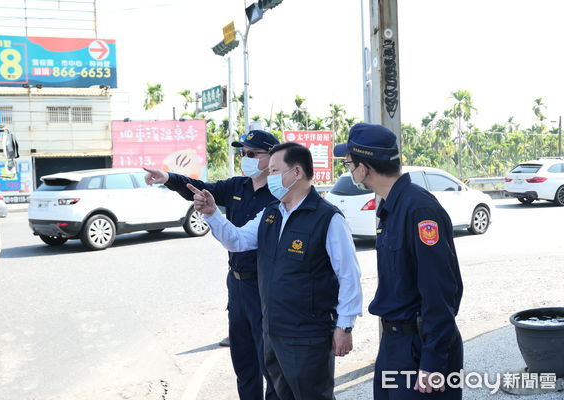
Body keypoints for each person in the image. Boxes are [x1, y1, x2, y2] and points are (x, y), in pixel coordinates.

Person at [188, 142, 363, 400]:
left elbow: (349, 276)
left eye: (273, 170)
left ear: (297, 173)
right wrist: (213, 214)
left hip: (308, 336)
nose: (269, 177)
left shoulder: (328, 218)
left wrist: (344, 326)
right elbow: (236, 240)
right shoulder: (270, 214)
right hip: (272, 331)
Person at [144, 130, 280, 400]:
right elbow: (201, 189)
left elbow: (242, 240)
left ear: (272, 157)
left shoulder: (278, 194)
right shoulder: (237, 186)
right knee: (243, 360)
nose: (246, 158)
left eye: (253, 154)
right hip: (237, 285)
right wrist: (169, 178)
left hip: (264, 286)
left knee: (270, 363)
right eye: (243, 153)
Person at [333, 123, 464, 399]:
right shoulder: (391, 205)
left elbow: (440, 290)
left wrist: (432, 361)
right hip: (395, 343)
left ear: (365, 167)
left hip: (421, 349)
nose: (348, 168)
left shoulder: (419, 209)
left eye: (349, 162)